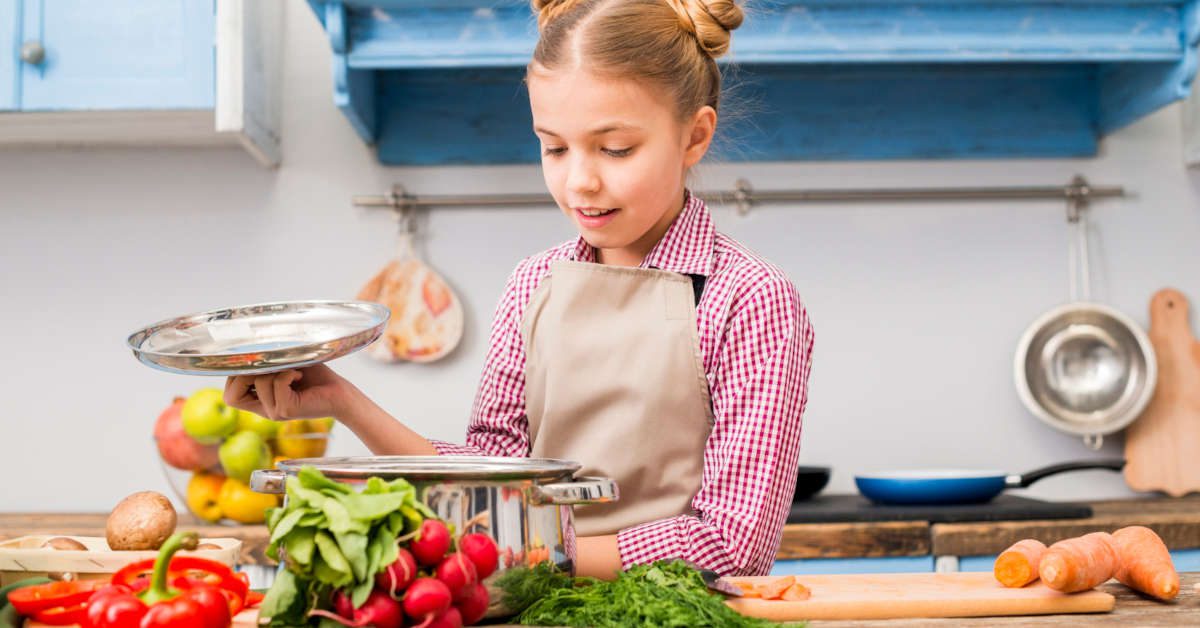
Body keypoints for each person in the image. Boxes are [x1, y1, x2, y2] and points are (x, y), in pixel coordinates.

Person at [225, 0, 814, 579]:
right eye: (554, 147)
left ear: (694, 137)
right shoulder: (534, 283)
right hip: (538, 607)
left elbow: (733, 543)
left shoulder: (750, 297)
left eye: (615, 149)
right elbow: (494, 479)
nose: (579, 181)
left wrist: (527, 556)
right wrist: (342, 401)